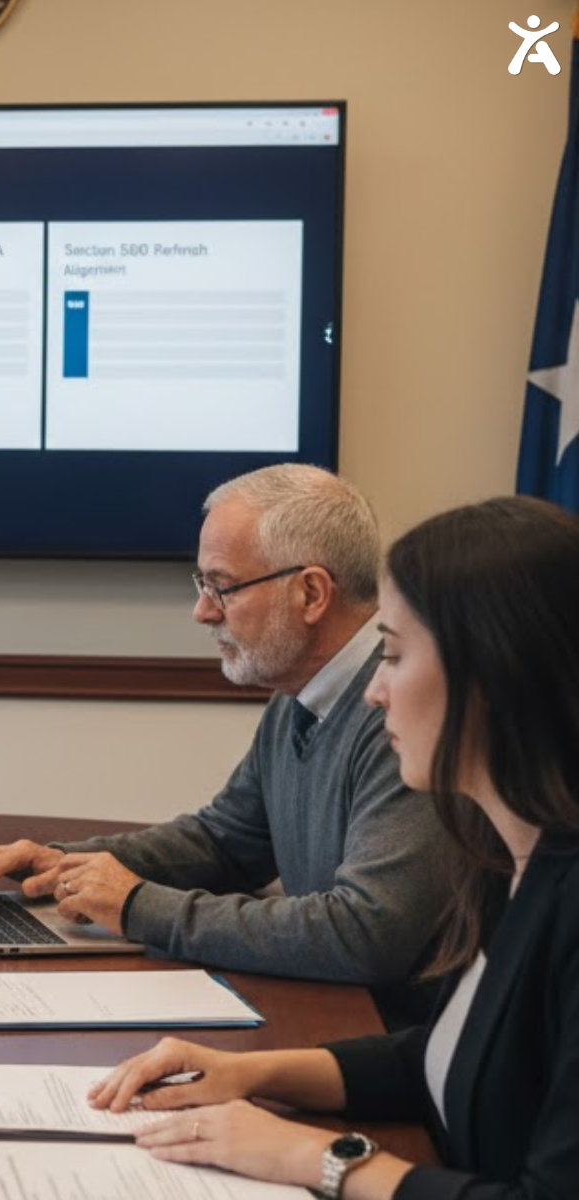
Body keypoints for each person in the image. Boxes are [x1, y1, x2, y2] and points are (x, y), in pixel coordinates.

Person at [87, 495, 579, 1200]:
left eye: (396, 655)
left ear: (492, 680)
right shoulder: (504, 857)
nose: (375, 692)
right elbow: (450, 1054)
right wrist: (254, 1072)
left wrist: (314, 1158)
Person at [0, 465, 454, 1024]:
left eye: (223, 586)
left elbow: (367, 933)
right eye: (203, 585)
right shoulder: (298, 693)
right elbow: (226, 843)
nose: (203, 610)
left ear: (310, 593)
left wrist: (140, 906)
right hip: (338, 1021)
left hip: (399, 1060)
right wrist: (70, 862)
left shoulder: (405, 715)